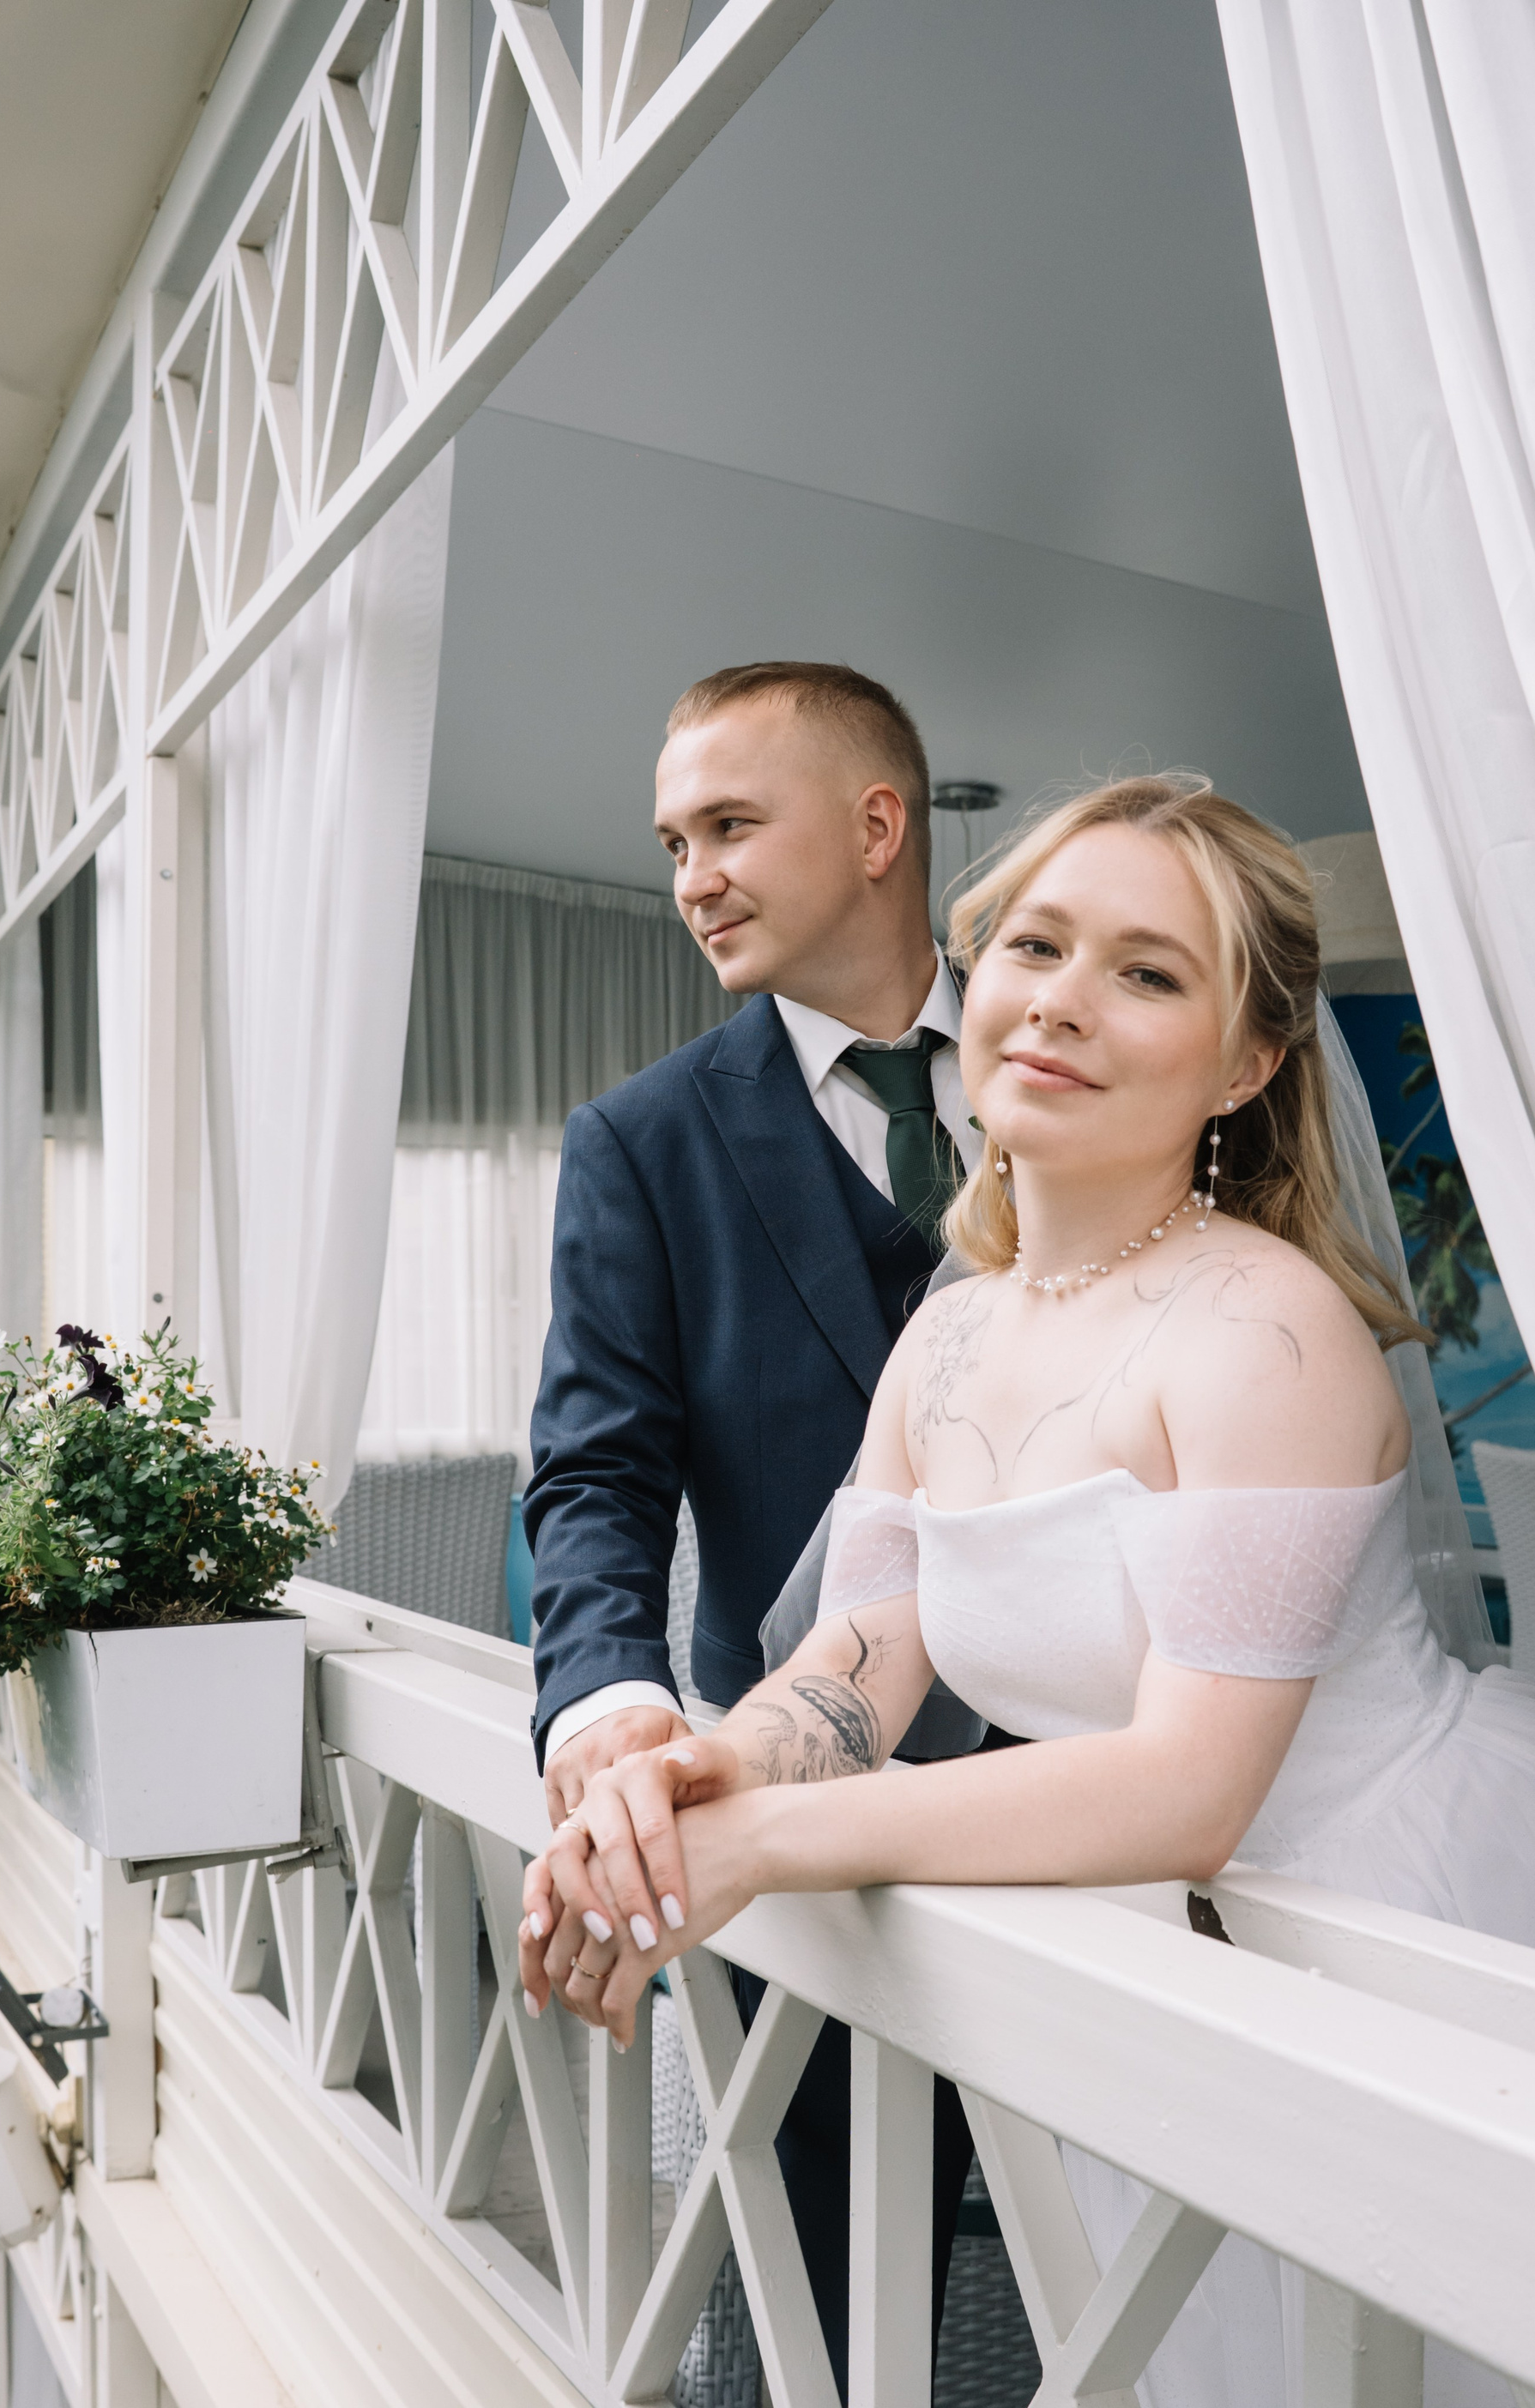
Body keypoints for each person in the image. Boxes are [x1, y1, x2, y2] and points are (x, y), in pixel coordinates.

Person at [522, 773, 1535, 2408]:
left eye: (1148, 972)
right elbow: (861, 1661)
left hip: (1375, 1945)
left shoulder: (1265, 1332)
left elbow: (1188, 1791)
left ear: (1246, 1063)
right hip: (1147, 1959)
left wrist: (761, 1845)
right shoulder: (954, 1328)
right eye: (1037, 946)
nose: (1062, 1000)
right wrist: (700, 1772)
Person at [523, 661, 988, 2393]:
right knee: (820, 2302)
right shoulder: (641, 1144)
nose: (690, 878)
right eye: (672, 844)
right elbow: (594, 1474)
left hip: (1104, 1791)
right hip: (801, 1811)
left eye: (727, 826)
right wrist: (610, 1701)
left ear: (877, 827)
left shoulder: (1072, 1046)